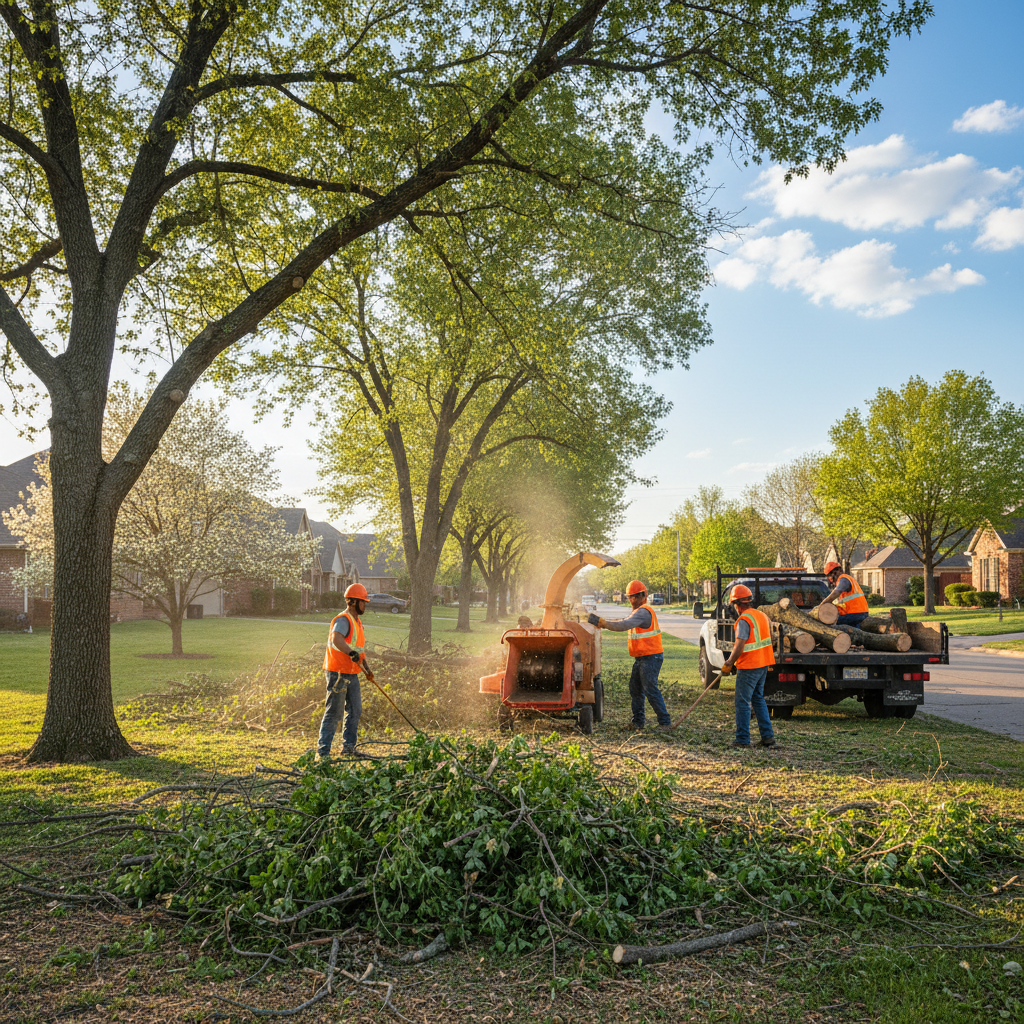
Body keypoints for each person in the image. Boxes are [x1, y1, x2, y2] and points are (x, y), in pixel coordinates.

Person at [588, 580, 672, 732]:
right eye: (630, 597)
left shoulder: (643, 612)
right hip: (642, 658)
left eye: (634, 597)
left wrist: (603, 622)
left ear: (642, 596)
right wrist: (604, 623)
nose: (631, 600)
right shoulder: (637, 612)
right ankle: (638, 722)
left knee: (649, 689)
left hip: (651, 657)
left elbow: (622, 626)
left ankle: (665, 722)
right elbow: (622, 622)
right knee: (635, 689)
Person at [720, 584, 776, 750]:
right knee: (758, 699)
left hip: (750, 666)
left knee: (742, 701)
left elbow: (739, 645)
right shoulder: (761, 615)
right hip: (763, 664)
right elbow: (771, 637)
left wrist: (729, 663)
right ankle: (768, 738)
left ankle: (743, 739)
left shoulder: (744, 620)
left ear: (736, 605)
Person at [318, 582, 370, 758]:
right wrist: (350, 652)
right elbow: (336, 639)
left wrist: (367, 669)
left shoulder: (357, 623)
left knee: (355, 709)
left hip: (353, 672)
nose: (365, 605)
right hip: (338, 672)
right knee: (334, 712)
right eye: (363, 601)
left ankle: (348, 748)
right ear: (354, 602)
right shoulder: (343, 620)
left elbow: (359, 649)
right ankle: (323, 752)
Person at [820, 560, 870, 627]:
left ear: (835, 572)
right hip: (860, 613)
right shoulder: (848, 579)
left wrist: (822, 605)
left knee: (829, 621)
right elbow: (845, 603)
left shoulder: (844, 579)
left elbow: (836, 592)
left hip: (854, 614)